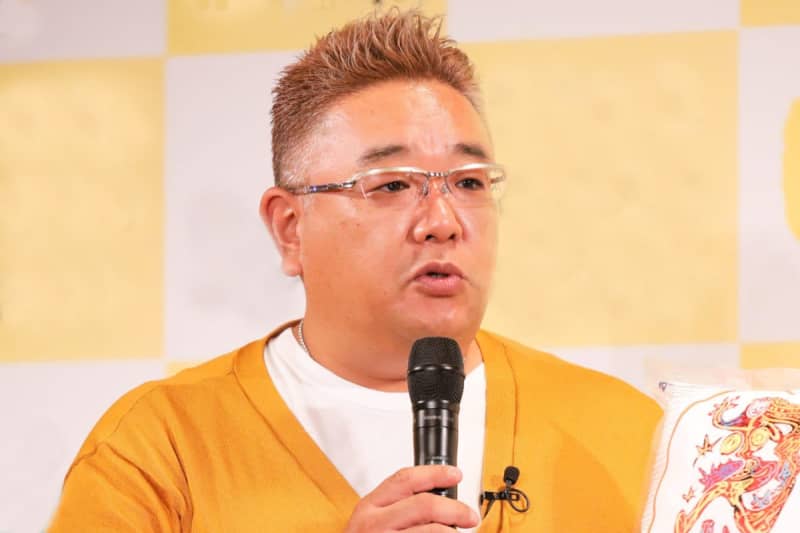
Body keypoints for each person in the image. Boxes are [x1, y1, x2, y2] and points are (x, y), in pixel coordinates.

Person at [50, 9, 661, 532]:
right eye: (392, 184)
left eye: (469, 182)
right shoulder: (160, 447)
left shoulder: (629, 433)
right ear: (290, 228)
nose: (443, 221)